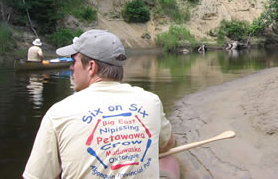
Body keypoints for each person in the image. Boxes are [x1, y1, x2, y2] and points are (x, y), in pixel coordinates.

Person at [23, 29, 180, 179]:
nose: (71, 67)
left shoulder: (58, 113)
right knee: (168, 160)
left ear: (91, 67)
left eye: (74, 61)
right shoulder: (151, 101)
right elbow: (167, 144)